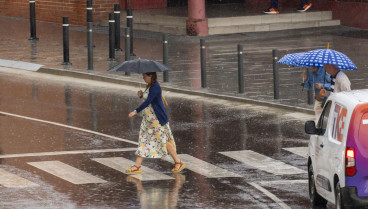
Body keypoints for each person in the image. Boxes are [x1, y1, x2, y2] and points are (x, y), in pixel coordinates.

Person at [126, 72, 185, 174]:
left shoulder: (155, 87)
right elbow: (147, 99)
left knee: (163, 141)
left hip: (156, 120)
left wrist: (135, 111)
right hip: (148, 120)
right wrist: (141, 95)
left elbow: (148, 101)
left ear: (151, 76)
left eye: (145, 76)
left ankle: (178, 162)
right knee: (143, 141)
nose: (143, 78)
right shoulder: (150, 86)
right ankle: (137, 166)